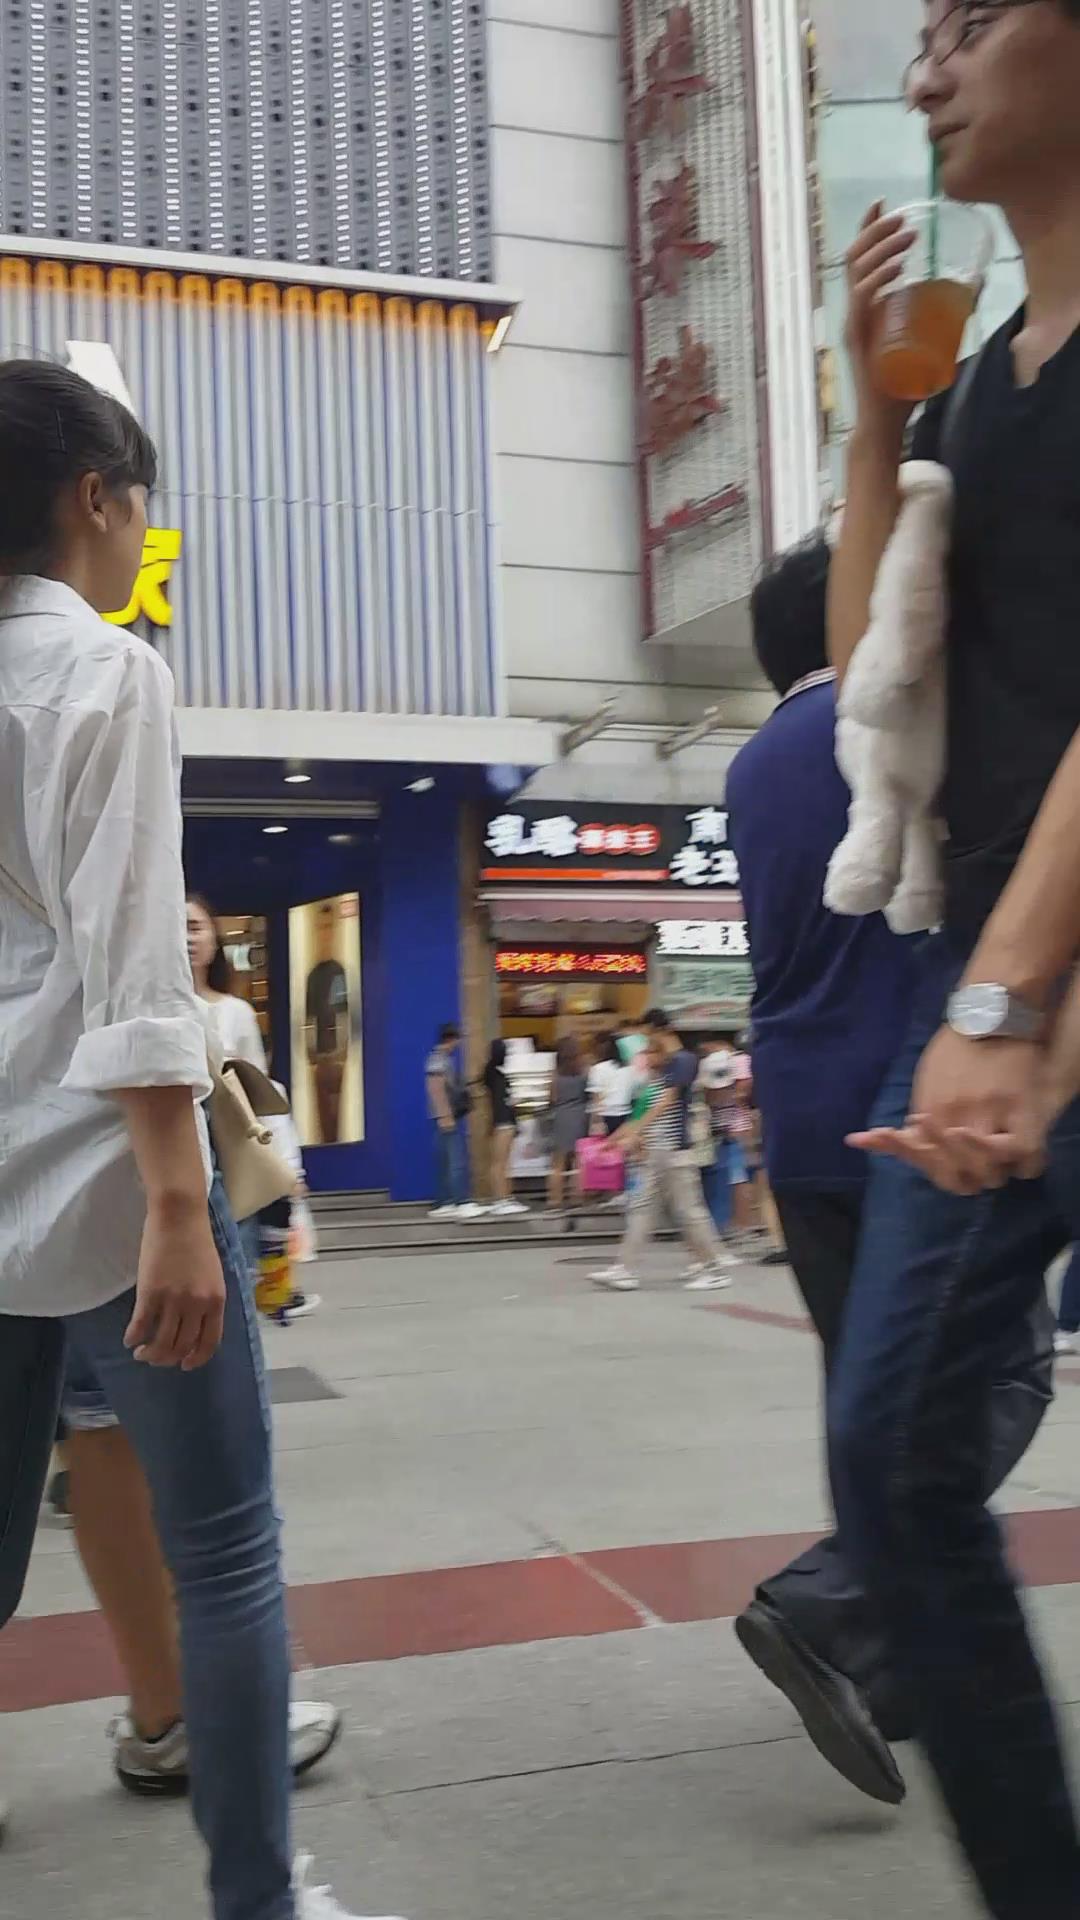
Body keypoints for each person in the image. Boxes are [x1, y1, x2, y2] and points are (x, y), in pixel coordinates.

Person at [0, 360, 386, 1916]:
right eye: (138, 501)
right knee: (224, 1551)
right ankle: (258, 1900)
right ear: (94, 497)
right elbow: (132, 965)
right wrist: (178, 1198)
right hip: (104, 1181)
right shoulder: (105, 672)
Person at [824, 6, 1080, 1909]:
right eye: (918, 38)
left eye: (973, 22)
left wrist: (1008, 991)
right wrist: (873, 417)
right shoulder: (990, 378)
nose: (928, 74)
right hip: (994, 985)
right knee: (898, 1453)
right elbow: (865, 675)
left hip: (1020, 986)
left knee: (902, 1446)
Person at [725, 532, 1053, 1807]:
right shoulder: (894, 720)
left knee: (866, 1392)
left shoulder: (754, 761)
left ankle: (895, 1665)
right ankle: (827, 1603)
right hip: (915, 1109)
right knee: (1000, 1373)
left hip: (800, 1120)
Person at [592, 1012, 736, 1292]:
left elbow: (665, 1105)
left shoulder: (681, 1064)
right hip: (656, 1153)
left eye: (649, 1047)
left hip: (674, 1151)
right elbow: (642, 1110)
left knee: (688, 1211)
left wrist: (633, 1132)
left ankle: (712, 1267)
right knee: (644, 1209)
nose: (644, 1053)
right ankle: (624, 1268)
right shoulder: (657, 1077)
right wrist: (618, 1138)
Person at [426, 1022, 484, 1221]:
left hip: (444, 1117)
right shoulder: (438, 1060)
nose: (459, 1043)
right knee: (456, 1161)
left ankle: (444, 1202)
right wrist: (445, 1115)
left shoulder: (440, 1059)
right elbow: (435, 1088)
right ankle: (462, 1202)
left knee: (445, 1161)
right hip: (447, 1117)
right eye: (458, 1039)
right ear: (451, 1039)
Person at [304, 902, 350, 1145]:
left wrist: (341, 1052)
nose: (325, 934)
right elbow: (309, 1018)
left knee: (335, 1114)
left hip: (335, 1055)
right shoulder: (313, 976)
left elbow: (342, 1012)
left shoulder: (338, 972)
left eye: (329, 927)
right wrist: (311, 1055)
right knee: (322, 1118)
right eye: (321, 928)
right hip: (319, 1058)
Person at [546, 1033, 590, 1214]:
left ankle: (554, 1200)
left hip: (561, 1116)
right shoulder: (584, 1072)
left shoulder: (555, 1075)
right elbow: (589, 1094)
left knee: (557, 1163)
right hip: (580, 1116)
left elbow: (552, 1098)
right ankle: (577, 1198)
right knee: (579, 1162)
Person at [482, 1038, 526, 1216]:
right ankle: (500, 1200)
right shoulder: (495, 1074)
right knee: (499, 1163)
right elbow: (501, 1101)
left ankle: (505, 1197)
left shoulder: (495, 1074)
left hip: (503, 1121)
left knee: (503, 1163)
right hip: (503, 1122)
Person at [587, 1030, 637, 1136]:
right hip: (626, 1114)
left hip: (606, 1115)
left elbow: (597, 1099)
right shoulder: (629, 1069)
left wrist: (595, 1121)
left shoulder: (597, 1068)